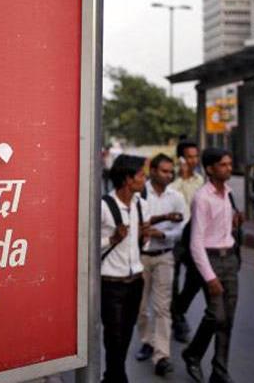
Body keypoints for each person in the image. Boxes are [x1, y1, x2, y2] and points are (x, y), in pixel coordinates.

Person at [182, 149, 239, 383]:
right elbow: (196, 242)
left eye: (229, 163)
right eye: (223, 165)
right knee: (217, 315)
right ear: (210, 169)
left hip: (230, 259)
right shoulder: (202, 197)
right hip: (211, 260)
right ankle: (193, 354)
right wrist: (210, 277)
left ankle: (220, 370)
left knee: (228, 319)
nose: (228, 168)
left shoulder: (229, 193)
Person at [135, 154, 189, 376]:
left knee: (162, 307)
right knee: (140, 307)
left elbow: (182, 228)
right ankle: (147, 340)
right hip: (140, 256)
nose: (169, 175)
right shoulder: (140, 194)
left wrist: (163, 234)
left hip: (165, 255)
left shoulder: (176, 197)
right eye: (164, 171)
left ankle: (162, 355)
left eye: (170, 171)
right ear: (153, 171)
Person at [100, 154, 147, 383]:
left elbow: (140, 240)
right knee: (114, 336)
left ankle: (112, 376)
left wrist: (146, 236)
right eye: (141, 175)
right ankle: (118, 377)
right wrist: (111, 239)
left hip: (135, 280)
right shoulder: (103, 206)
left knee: (127, 332)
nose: (144, 179)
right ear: (128, 179)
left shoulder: (140, 204)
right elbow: (86, 245)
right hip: (111, 283)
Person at [169, 141, 204, 343]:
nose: (193, 161)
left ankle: (178, 310)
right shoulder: (172, 182)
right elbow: (169, 197)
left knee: (196, 277)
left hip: (195, 237)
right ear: (181, 159)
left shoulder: (201, 181)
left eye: (195, 156)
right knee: (172, 282)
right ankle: (178, 322)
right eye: (189, 157)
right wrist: (181, 178)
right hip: (175, 238)